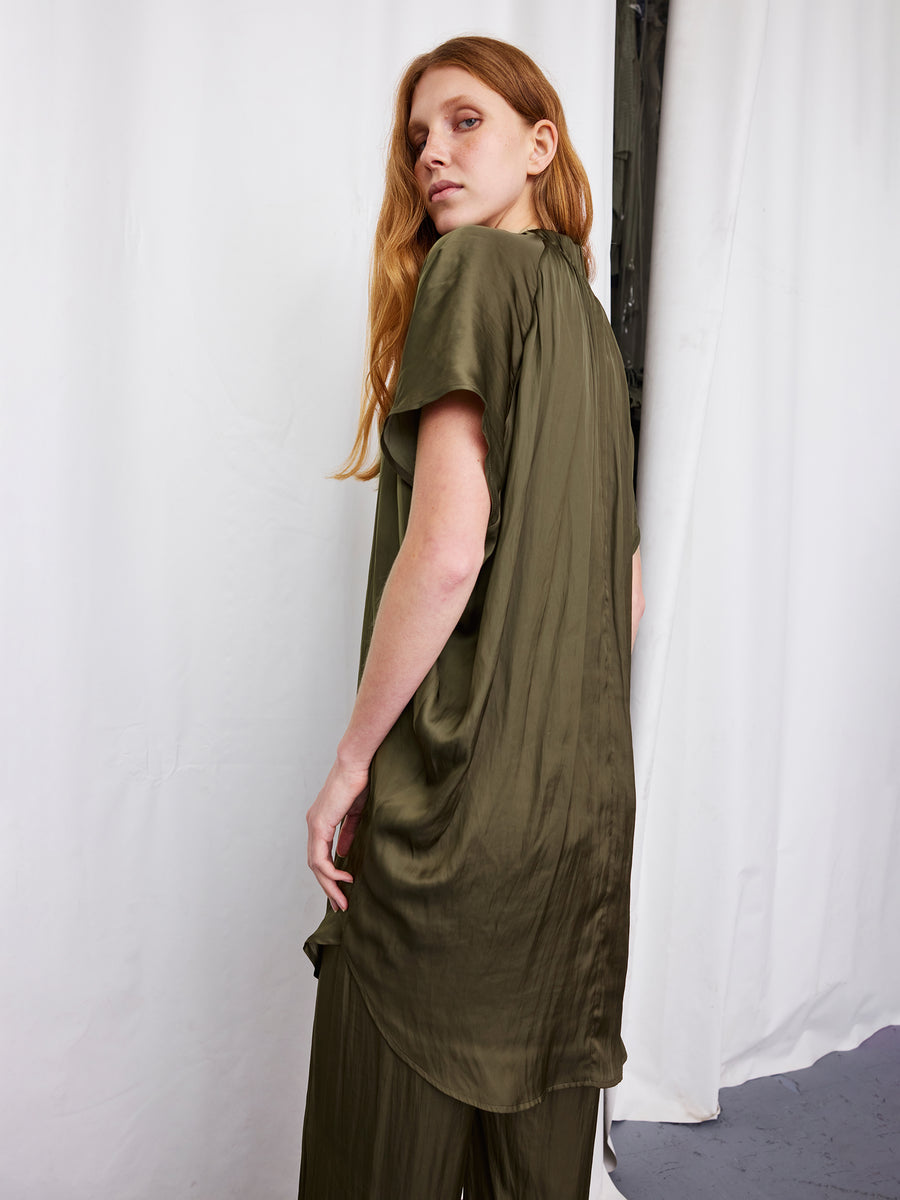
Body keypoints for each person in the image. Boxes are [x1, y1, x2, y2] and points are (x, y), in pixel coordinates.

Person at [298, 34, 643, 1200]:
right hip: (580, 819)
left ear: (541, 144)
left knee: (377, 1162)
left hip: (457, 816)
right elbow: (624, 594)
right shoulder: (588, 328)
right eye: (417, 140)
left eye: (465, 122)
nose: (432, 157)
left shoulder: (472, 275)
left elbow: (448, 553)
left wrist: (353, 764)